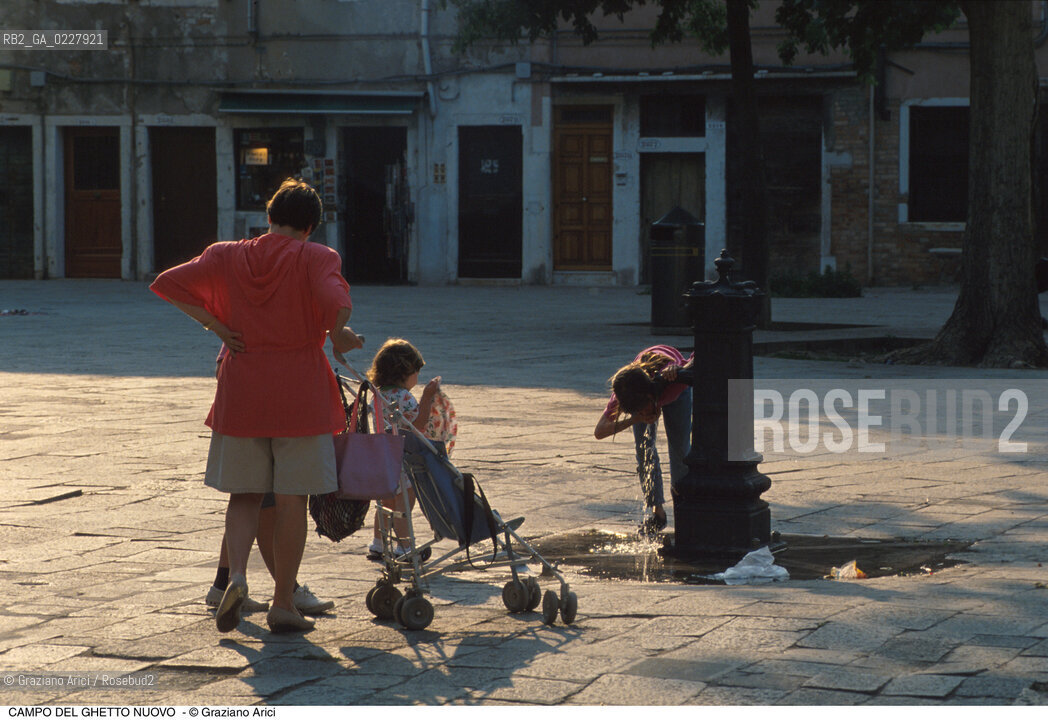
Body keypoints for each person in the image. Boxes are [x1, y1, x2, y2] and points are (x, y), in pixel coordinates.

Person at [151, 178, 361, 634]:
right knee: (291, 500)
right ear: (310, 227)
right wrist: (340, 331)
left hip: (242, 388)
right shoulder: (318, 256)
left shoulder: (226, 254)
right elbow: (335, 303)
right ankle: (283, 602)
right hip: (299, 394)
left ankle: (238, 577)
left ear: (269, 217)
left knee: (244, 495)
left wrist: (217, 326)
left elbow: (169, 283)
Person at [203, 350, 333, 617]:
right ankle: (286, 596)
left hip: (240, 402)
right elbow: (335, 319)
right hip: (292, 402)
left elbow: (220, 368)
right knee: (285, 500)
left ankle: (231, 578)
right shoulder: (299, 312)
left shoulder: (238, 311)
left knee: (244, 497)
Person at [594, 345, 694, 536]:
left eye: (645, 409)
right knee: (644, 451)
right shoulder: (627, 391)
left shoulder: (675, 381)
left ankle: (684, 510)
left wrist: (681, 369)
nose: (645, 414)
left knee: (681, 451)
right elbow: (599, 431)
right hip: (643, 387)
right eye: (638, 411)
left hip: (675, 391)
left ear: (651, 396)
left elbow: (701, 355)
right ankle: (658, 514)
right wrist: (636, 418)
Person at [364, 338, 440, 560]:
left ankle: (378, 543)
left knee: (385, 502)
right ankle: (405, 547)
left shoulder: (378, 394)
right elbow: (417, 425)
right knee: (404, 502)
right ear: (405, 372)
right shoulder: (403, 397)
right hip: (401, 457)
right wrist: (427, 397)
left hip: (382, 455)